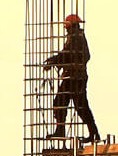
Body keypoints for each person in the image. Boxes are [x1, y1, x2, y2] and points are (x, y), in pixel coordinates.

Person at [42, 13, 101, 142]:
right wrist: (55, 60)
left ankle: (63, 131)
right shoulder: (77, 37)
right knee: (78, 106)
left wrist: (54, 61)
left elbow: (68, 54)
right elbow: (70, 55)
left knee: (64, 103)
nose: (65, 29)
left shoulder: (75, 37)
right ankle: (93, 134)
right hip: (75, 76)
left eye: (66, 26)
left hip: (74, 78)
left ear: (70, 26)